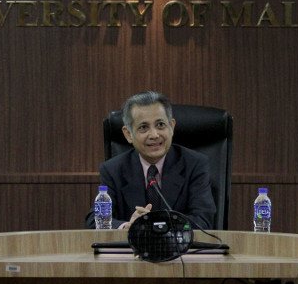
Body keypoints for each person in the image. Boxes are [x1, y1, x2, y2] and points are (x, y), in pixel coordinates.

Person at [86, 91, 216, 230]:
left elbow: (204, 220)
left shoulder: (194, 164)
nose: (154, 135)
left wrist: (157, 225)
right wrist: (127, 227)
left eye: (160, 125)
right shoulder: (113, 170)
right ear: (128, 134)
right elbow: (95, 220)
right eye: (143, 127)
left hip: (180, 249)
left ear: (171, 127)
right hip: (131, 251)